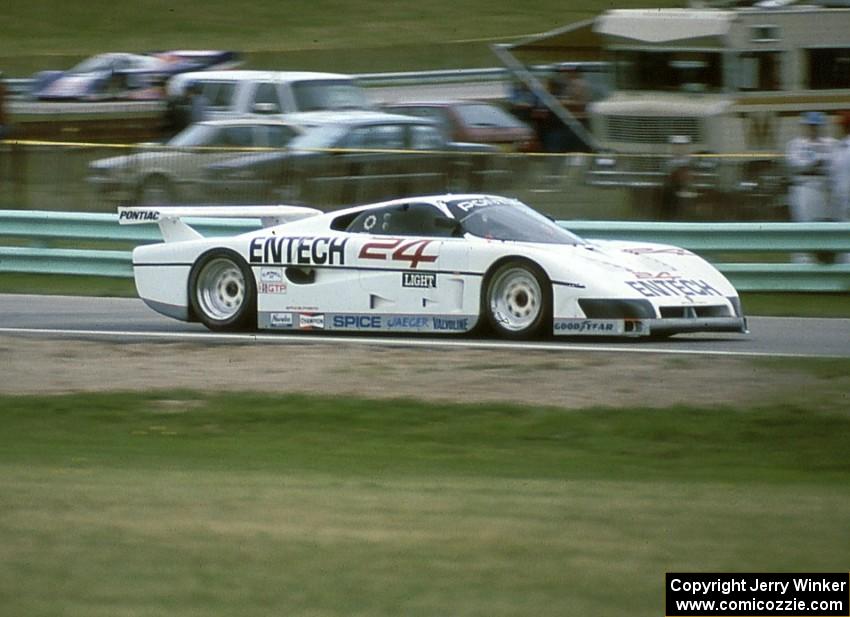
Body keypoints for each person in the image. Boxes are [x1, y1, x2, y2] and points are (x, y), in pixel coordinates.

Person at [785, 111, 836, 262]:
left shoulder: (831, 143)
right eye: (810, 125)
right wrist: (818, 162)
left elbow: (833, 164)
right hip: (804, 186)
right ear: (805, 126)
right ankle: (802, 260)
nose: (813, 128)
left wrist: (817, 163)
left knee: (824, 225)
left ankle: (825, 259)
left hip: (825, 187)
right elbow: (798, 165)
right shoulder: (796, 144)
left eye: (816, 126)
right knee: (803, 223)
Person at [659, 135, 693, 220]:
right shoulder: (666, 161)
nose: (679, 148)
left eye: (682, 145)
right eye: (677, 145)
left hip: (686, 194)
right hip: (670, 194)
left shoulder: (691, 161)